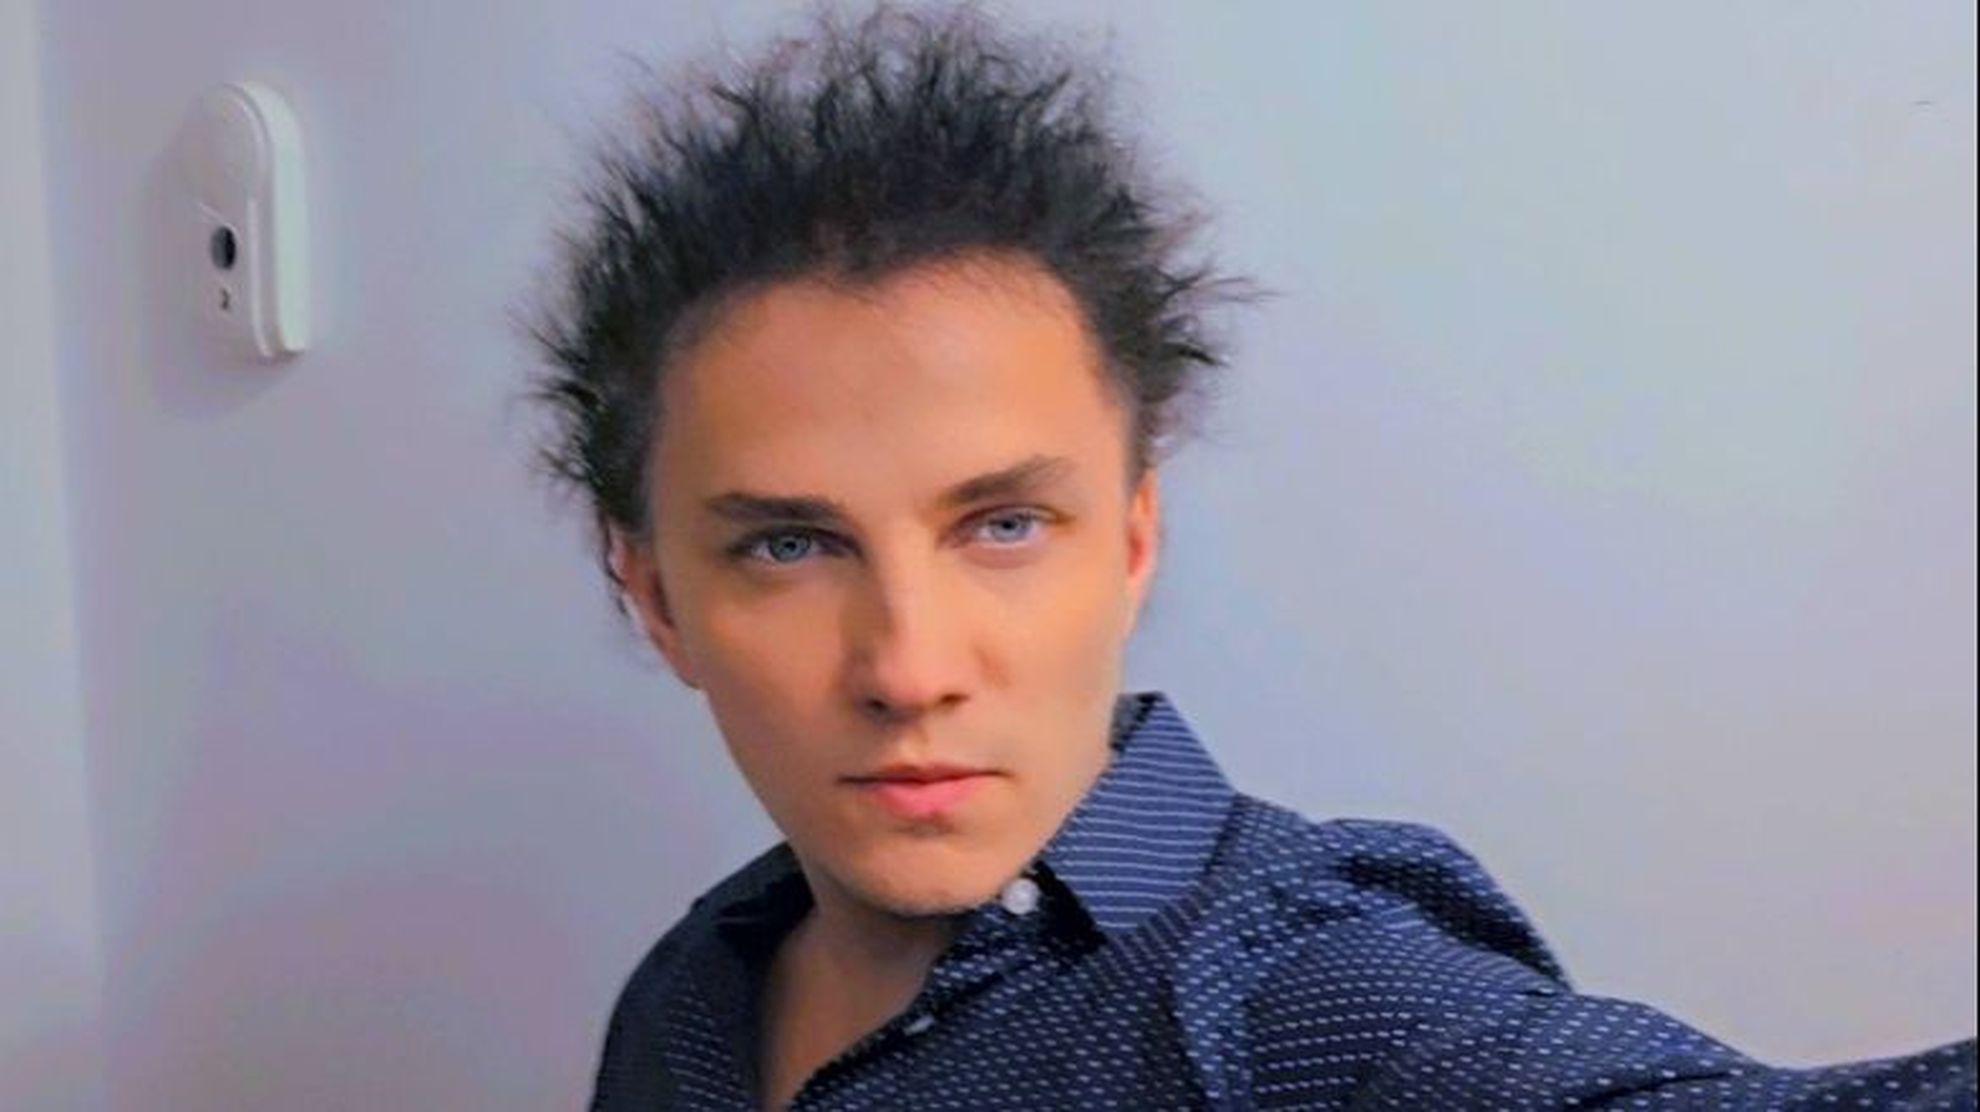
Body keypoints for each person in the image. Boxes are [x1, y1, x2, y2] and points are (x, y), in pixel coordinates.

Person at [525, 8, 1975, 1109]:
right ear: (654, 596)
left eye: (1004, 526)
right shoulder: (694, 993)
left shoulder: (1300, 992)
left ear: (1133, 540)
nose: (908, 668)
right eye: (789, 544)